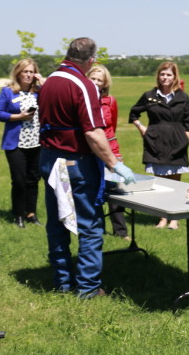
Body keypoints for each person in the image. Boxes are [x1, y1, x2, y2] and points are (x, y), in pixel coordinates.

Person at [38, 38, 134, 299]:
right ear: (91, 60)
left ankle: (62, 282)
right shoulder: (84, 84)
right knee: (90, 226)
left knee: (58, 223)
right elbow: (92, 132)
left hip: (49, 159)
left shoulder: (49, 81)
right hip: (74, 163)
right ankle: (89, 288)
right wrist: (115, 165)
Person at [129, 62, 189, 230]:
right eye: (163, 74)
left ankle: (174, 218)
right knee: (159, 185)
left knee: (176, 183)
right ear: (158, 76)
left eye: (169, 75)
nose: (165, 78)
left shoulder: (183, 97)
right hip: (155, 142)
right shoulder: (149, 95)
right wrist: (142, 128)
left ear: (175, 77)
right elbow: (133, 113)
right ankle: (162, 218)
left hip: (177, 144)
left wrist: (184, 139)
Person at [0, 58, 44, 228]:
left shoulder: (38, 91)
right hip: (16, 143)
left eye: (31, 71)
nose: (28, 75)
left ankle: (31, 213)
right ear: (18, 73)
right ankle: (19, 214)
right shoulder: (8, 91)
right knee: (19, 180)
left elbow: (53, 102)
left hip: (37, 142)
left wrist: (42, 82)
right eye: (25, 71)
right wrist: (19, 117)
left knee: (33, 179)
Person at [87, 64, 127, 239]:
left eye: (99, 80)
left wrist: (115, 152)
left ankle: (121, 232)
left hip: (111, 150)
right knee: (94, 190)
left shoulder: (110, 101)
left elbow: (113, 126)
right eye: (93, 79)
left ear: (105, 84)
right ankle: (98, 229)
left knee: (115, 189)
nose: (95, 83)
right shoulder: (83, 101)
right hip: (89, 151)